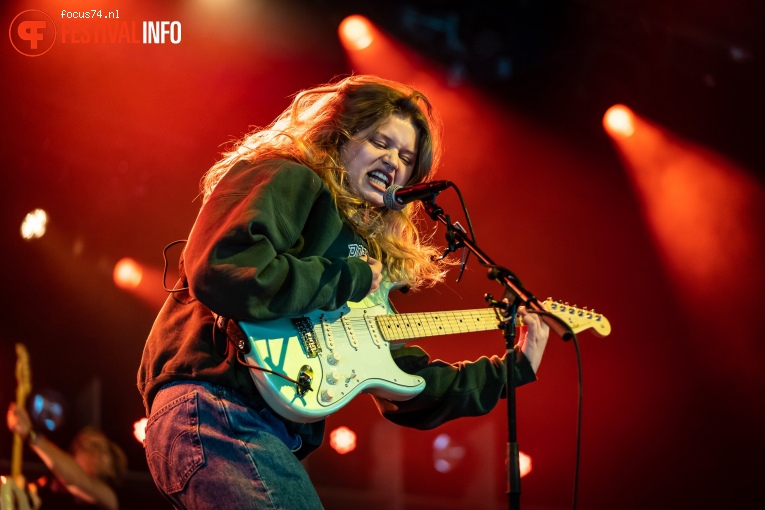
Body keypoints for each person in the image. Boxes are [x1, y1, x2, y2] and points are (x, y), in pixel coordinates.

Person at [137, 74, 550, 509]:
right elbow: (227, 268)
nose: (393, 161)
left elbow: (408, 382)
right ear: (339, 136)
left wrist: (512, 370)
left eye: (406, 157)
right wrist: (346, 279)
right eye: (380, 142)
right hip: (218, 406)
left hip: (261, 428)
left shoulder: (363, 253)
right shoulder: (289, 175)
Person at [5, 403, 127, 510]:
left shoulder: (109, 500)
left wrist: (30, 434)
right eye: (80, 445)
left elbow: (77, 479)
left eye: (94, 448)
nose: (79, 448)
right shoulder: (48, 485)